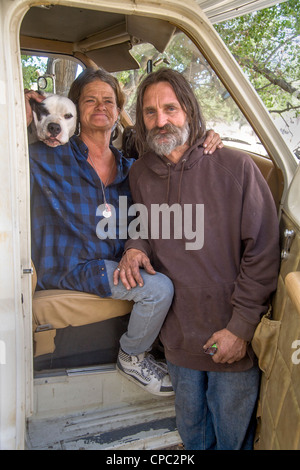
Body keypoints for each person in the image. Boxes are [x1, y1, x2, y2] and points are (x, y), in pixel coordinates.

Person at [26, 67, 222, 398]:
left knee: (181, 269)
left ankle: (187, 356)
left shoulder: (132, 168)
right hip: (70, 267)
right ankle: (132, 356)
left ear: (118, 111)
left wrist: (204, 142)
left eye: (108, 100)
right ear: (75, 109)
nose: (100, 106)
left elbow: (178, 173)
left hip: (113, 264)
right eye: (90, 100)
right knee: (158, 289)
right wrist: (18, 109)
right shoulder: (48, 156)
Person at [114, 68, 280, 449]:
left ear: (188, 109)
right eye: (150, 113)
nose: (161, 120)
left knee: (231, 436)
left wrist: (240, 328)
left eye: (170, 108)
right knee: (192, 434)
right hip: (178, 338)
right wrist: (135, 246)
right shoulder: (140, 173)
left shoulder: (235, 167)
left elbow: (263, 250)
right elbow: (141, 223)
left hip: (230, 335)